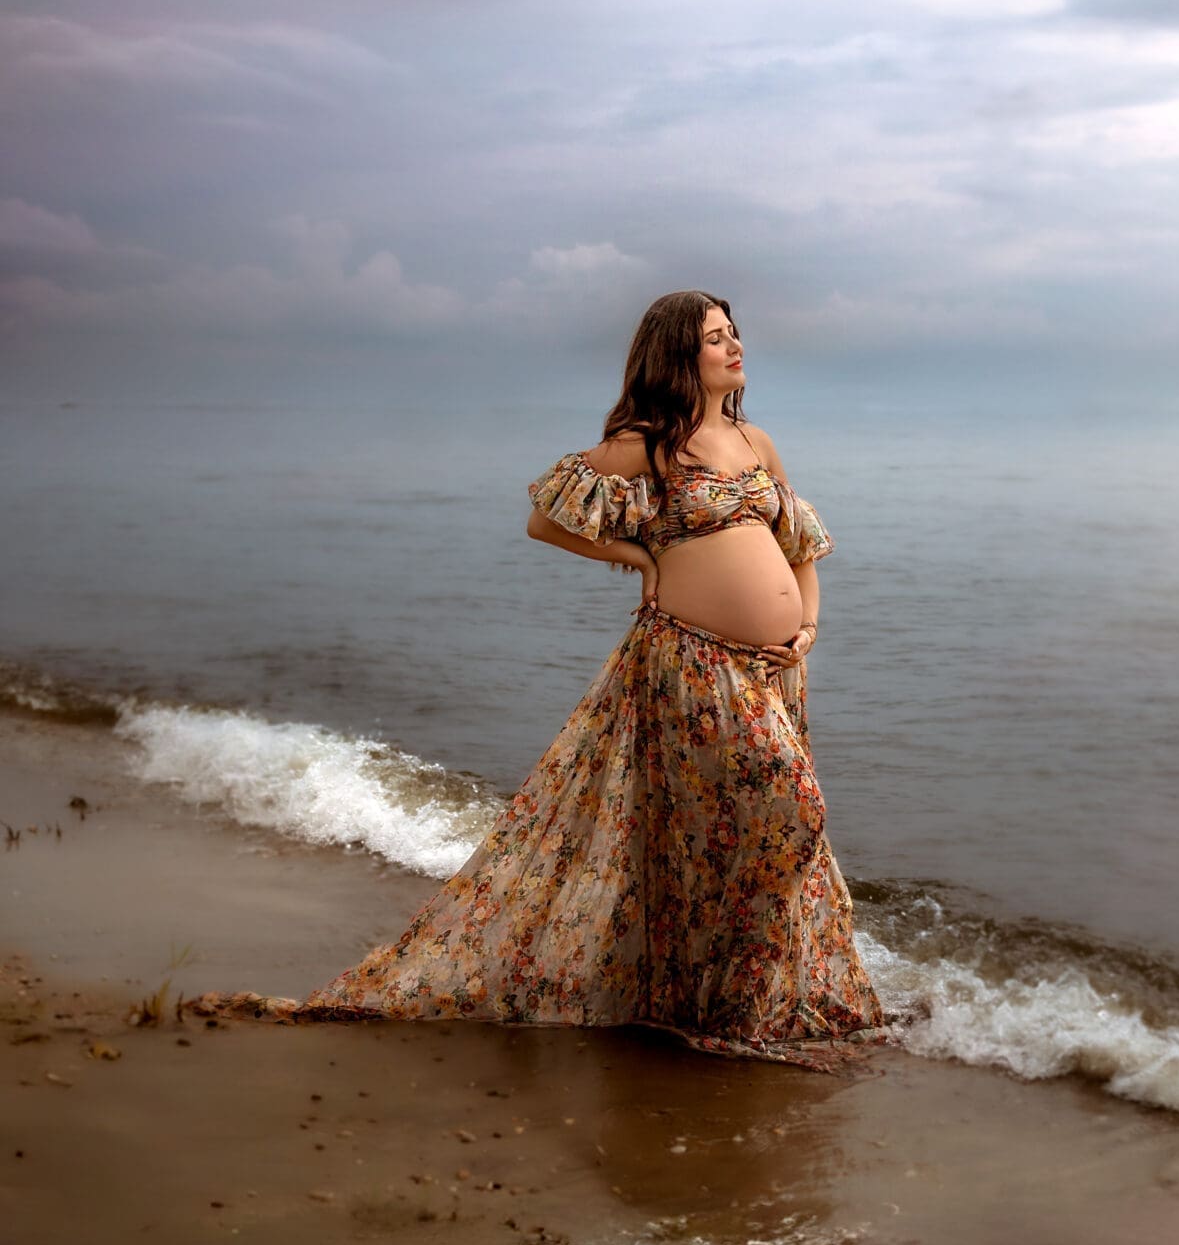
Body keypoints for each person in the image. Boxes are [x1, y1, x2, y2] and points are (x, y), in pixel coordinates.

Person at [183, 291, 895, 1074]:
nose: (735, 347)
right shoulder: (647, 444)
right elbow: (548, 517)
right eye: (715, 338)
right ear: (676, 356)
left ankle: (730, 1005)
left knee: (732, 837)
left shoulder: (753, 440)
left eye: (733, 334)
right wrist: (643, 558)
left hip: (771, 670)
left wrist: (809, 624)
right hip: (690, 666)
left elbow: (800, 541)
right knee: (789, 810)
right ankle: (719, 1005)